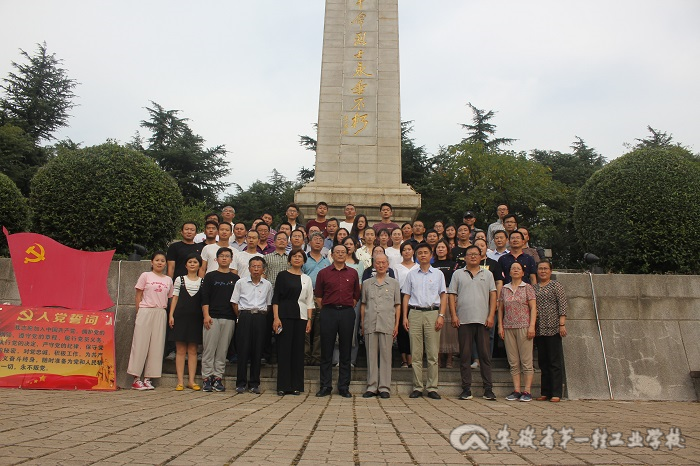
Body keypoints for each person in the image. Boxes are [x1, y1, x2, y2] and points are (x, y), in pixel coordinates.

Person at [448, 245, 497, 401]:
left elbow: (493, 295)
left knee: (485, 355)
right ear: (465, 257)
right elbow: (451, 295)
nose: (473, 256)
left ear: (481, 257)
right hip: (464, 320)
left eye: (476, 254)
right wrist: (454, 315)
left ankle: (488, 389)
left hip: (483, 320)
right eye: (470, 254)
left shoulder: (487, 274)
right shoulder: (458, 273)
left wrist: (491, 316)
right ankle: (466, 389)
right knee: (465, 355)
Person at [315, 244, 361, 398]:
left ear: (347, 254)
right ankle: (325, 385)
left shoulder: (353, 273)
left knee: (345, 350)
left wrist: (346, 306)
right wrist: (329, 308)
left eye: (343, 252)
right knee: (326, 350)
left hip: (347, 312)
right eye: (337, 252)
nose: (340, 254)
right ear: (332, 255)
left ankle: (343, 386)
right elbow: (319, 296)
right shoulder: (323, 273)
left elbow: (356, 295)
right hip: (328, 312)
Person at [402, 242, 447, 400]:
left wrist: (441, 315)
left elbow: (443, 295)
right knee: (416, 353)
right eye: (420, 253)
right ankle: (417, 386)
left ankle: (432, 387)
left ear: (431, 255)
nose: (422, 255)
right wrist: (404, 316)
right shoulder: (411, 274)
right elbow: (406, 296)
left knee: (432, 353)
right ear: (416, 255)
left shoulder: (438, 274)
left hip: (432, 313)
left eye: (425, 252)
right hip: (414, 313)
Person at [128, 252, 173, 390]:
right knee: (140, 343)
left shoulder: (168, 280)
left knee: (156, 346)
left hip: (160, 312)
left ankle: (148, 378)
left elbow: (169, 297)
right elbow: (138, 295)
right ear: (151, 262)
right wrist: (139, 312)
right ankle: (136, 378)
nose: (160, 263)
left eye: (162, 261)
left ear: (165, 264)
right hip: (145, 310)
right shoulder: (145, 275)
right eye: (157, 260)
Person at [272, 248, 315, 395]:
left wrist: (309, 320)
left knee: (298, 351)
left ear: (304, 261)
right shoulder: (282, 275)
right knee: (284, 350)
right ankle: (283, 386)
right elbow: (276, 298)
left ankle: (296, 385)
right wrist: (276, 318)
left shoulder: (306, 279)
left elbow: (309, 301)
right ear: (289, 259)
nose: (297, 258)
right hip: (284, 316)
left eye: (300, 257)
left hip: (301, 317)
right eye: (294, 256)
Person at [360, 253, 400, 399]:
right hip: (370, 322)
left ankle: (384, 387)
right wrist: (362, 323)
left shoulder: (394, 283)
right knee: (371, 356)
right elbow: (363, 304)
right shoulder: (367, 283)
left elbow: (397, 305)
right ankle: (372, 386)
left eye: (383, 262)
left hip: (387, 323)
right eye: (378, 263)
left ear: (388, 264)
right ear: (374, 265)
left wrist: (396, 325)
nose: (381, 265)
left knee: (386, 356)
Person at [231, 256, 273, 394]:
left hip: (260, 317)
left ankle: (254, 383)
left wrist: (260, 315)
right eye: (253, 266)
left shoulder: (267, 284)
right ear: (249, 268)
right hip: (245, 316)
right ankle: (241, 383)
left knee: (257, 350)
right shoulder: (241, 282)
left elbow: (268, 304)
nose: (256, 269)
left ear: (263, 269)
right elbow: (234, 302)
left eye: (258, 267)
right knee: (243, 350)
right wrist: (241, 316)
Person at [200, 247, 240, 392]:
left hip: (229, 318)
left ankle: (218, 377)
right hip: (212, 317)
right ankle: (206, 378)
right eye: (221, 256)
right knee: (209, 349)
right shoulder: (210, 276)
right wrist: (206, 315)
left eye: (227, 256)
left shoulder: (236, 279)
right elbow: (205, 297)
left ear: (231, 259)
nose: (224, 258)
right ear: (216, 259)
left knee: (222, 350)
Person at [498, 262, 537, 402]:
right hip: (508, 327)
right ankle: (516, 390)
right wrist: (500, 326)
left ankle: (527, 390)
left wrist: (532, 326)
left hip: (524, 326)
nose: (515, 270)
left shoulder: (527, 288)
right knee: (513, 361)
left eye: (518, 268)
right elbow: (500, 308)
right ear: (509, 272)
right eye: (513, 268)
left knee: (526, 361)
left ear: (522, 273)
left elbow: (533, 308)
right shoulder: (504, 289)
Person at [534, 260, 568, 402]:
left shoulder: (556, 285)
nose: (543, 271)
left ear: (550, 271)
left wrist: (562, 323)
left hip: (553, 327)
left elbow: (562, 304)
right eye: (540, 269)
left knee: (554, 361)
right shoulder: (534, 287)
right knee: (543, 361)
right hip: (539, 328)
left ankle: (556, 392)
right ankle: (545, 391)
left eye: (545, 269)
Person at [168, 253, 203, 391]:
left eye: (195, 262)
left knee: (193, 350)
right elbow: (175, 298)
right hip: (180, 317)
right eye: (190, 262)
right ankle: (180, 381)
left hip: (196, 319)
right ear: (185, 265)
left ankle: (192, 381)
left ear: (199, 265)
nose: (192, 264)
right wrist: (171, 315)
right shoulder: (179, 279)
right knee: (180, 350)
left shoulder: (203, 281)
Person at [302, 232, 330, 366]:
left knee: (320, 328)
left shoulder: (327, 261)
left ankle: (317, 357)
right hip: (306, 296)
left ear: (323, 244)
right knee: (305, 327)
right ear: (309, 242)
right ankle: (304, 356)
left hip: (321, 297)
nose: (318, 241)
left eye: (320, 240)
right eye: (315, 239)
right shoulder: (304, 259)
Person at [433, 239, 458, 369]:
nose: (441, 249)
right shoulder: (432, 265)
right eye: (438, 247)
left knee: (450, 329)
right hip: (435, 296)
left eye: (443, 247)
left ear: (447, 249)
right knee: (437, 327)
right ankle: (438, 357)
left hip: (450, 295)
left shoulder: (454, 265)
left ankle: (449, 358)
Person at [393, 241, 416, 368]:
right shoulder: (396, 267)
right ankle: (403, 359)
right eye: (404, 250)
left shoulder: (418, 267)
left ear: (413, 251)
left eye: (409, 249)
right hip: (401, 296)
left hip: (415, 298)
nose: (407, 252)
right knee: (402, 328)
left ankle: (412, 357)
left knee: (413, 328)